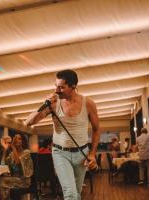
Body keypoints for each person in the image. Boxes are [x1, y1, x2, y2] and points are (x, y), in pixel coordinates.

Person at [25, 69, 100, 200]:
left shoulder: (88, 103)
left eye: (61, 87)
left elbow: (96, 129)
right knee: (70, 193)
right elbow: (28, 122)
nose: (56, 90)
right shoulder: (53, 104)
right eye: (55, 86)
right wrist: (45, 105)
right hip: (60, 153)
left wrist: (92, 154)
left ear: (73, 87)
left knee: (76, 193)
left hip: (81, 154)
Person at [0, 134, 33, 200]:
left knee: (2, 181)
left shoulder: (26, 152)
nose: (16, 140)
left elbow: (18, 162)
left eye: (19, 138)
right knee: (1, 181)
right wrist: (5, 150)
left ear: (23, 141)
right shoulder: (12, 154)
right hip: (14, 179)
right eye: (15, 138)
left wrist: (13, 146)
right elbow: (2, 164)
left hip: (24, 180)